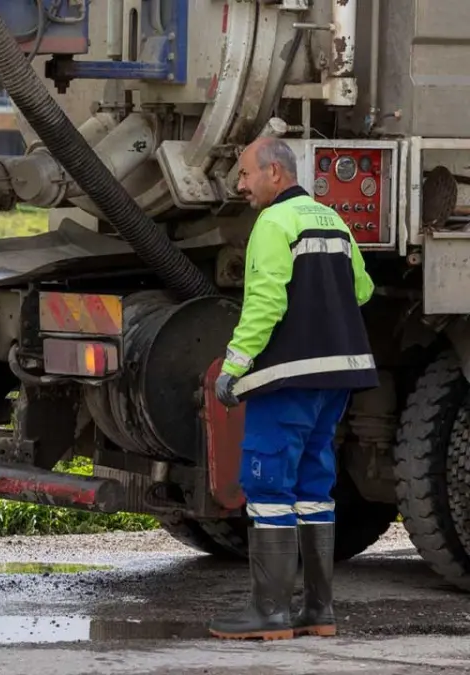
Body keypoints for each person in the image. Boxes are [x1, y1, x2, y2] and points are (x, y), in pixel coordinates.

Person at [209, 137, 377, 640]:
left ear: (275, 174)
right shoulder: (333, 219)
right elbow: (362, 289)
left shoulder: (274, 223)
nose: (240, 185)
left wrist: (232, 368)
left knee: (267, 487)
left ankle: (271, 612)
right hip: (338, 377)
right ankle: (317, 610)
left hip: (288, 380)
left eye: (245, 174)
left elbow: (264, 303)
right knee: (312, 487)